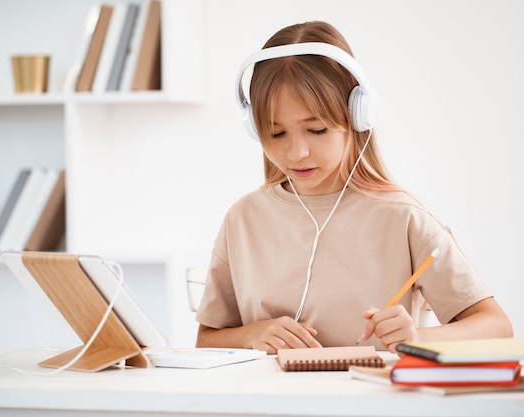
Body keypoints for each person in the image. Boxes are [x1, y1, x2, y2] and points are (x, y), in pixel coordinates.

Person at [195, 21, 513, 354]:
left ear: (357, 116)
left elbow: (496, 327)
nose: (296, 152)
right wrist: (253, 334)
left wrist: (418, 338)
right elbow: (207, 338)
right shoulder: (242, 219)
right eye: (276, 134)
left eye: (316, 130)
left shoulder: (403, 217)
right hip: (271, 405)